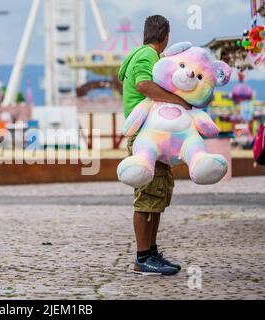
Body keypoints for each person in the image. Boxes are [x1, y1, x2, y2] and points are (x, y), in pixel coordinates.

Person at [118, 15, 192, 276]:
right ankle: (142, 257)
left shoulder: (149, 57)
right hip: (145, 138)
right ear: (166, 36)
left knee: (157, 194)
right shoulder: (146, 57)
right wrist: (178, 100)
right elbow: (143, 85)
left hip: (155, 136)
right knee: (148, 195)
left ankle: (151, 252)